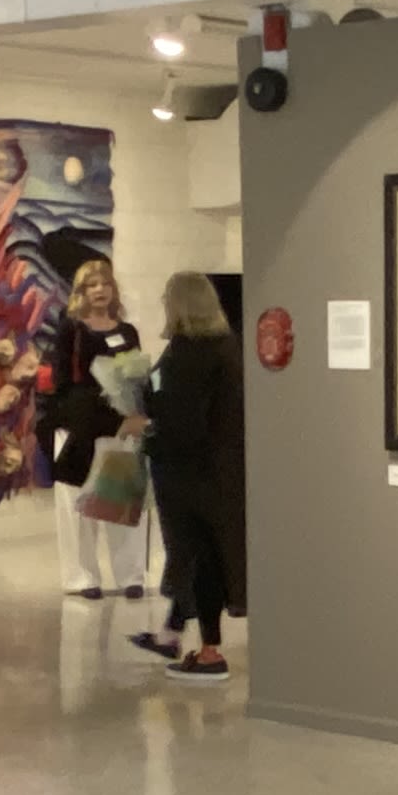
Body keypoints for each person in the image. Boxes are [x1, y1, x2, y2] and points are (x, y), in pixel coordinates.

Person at [130, 271, 246, 687]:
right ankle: (172, 635)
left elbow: (180, 419)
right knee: (198, 557)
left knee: (198, 559)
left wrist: (145, 427)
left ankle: (210, 652)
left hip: (190, 475)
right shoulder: (226, 346)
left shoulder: (189, 353)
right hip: (217, 473)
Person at [40, 258, 151, 602]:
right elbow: (68, 388)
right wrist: (113, 418)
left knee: (121, 504)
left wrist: (137, 415)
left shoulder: (127, 331)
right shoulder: (71, 330)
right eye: (92, 284)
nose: (100, 290)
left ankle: (131, 575)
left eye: (105, 283)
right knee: (78, 510)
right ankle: (81, 576)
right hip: (81, 430)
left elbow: (135, 379)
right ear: (81, 293)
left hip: (122, 430)